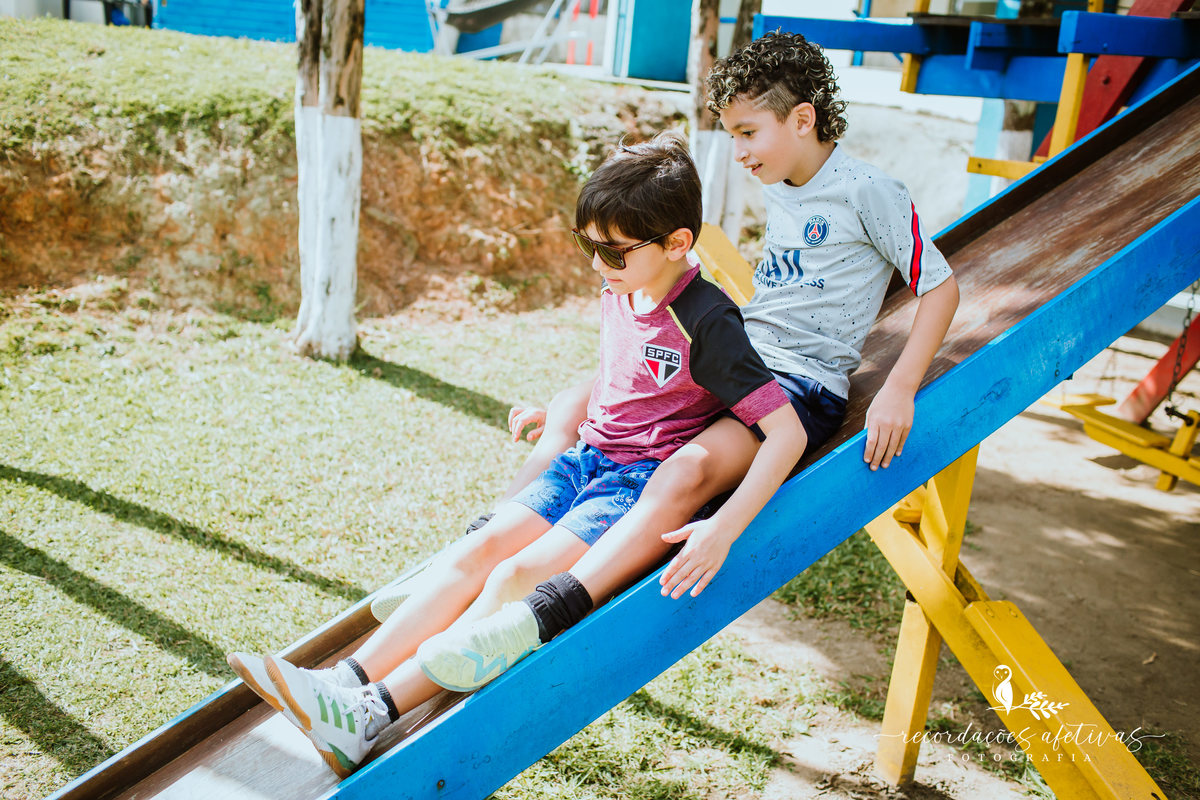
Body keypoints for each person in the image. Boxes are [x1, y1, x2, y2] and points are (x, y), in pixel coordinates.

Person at [227, 131, 806, 778]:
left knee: (513, 578)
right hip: (587, 458)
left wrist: (725, 527)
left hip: (632, 486)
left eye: (610, 251)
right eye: (586, 245)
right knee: (476, 552)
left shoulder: (709, 320)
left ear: (677, 244)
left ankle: (371, 713)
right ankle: (341, 683)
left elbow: (785, 430)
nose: (596, 264)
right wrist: (572, 404)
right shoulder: (625, 285)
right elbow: (633, 369)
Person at [373, 29, 960, 616]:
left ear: (803, 119)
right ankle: (480, 544)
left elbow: (939, 286)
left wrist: (899, 389)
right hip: (738, 360)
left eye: (748, 133)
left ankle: (549, 596)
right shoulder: (782, 185)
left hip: (795, 382)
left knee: (680, 474)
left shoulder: (869, 192)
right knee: (571, 403)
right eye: (733, 136)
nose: (740, 152)